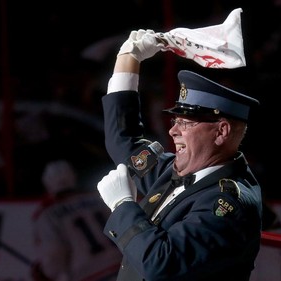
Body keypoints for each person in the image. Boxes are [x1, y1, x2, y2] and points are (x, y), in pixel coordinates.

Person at [97, 29, 263, 281]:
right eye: (175, 121)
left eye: (185, 123)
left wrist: (123, 206)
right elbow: (123, 140)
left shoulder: (228, 203)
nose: (173, 130)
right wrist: (128, 58)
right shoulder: (175, 172)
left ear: (221, 131)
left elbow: (162, 264)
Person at [32, 159, 122, 281]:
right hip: (123, 266)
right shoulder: (100, 198)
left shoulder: (47, 214)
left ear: (47, 183)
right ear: (73, 177)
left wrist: (46, 273)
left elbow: (54, 255)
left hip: (88, 275)